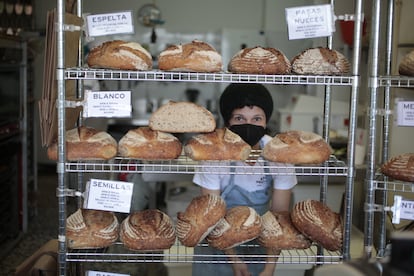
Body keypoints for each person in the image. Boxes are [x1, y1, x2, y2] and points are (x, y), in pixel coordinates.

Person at [191, 83, 298, 276]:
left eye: (257, 118)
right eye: (240, 118)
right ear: (228, 123)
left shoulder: (279, 155)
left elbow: (278, 218)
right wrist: (234, 260)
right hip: (216, 254)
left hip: (259, 251)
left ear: (266, 122)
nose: (249, 125)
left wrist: (269, 268)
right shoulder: (214, 155)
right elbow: (211, 216)